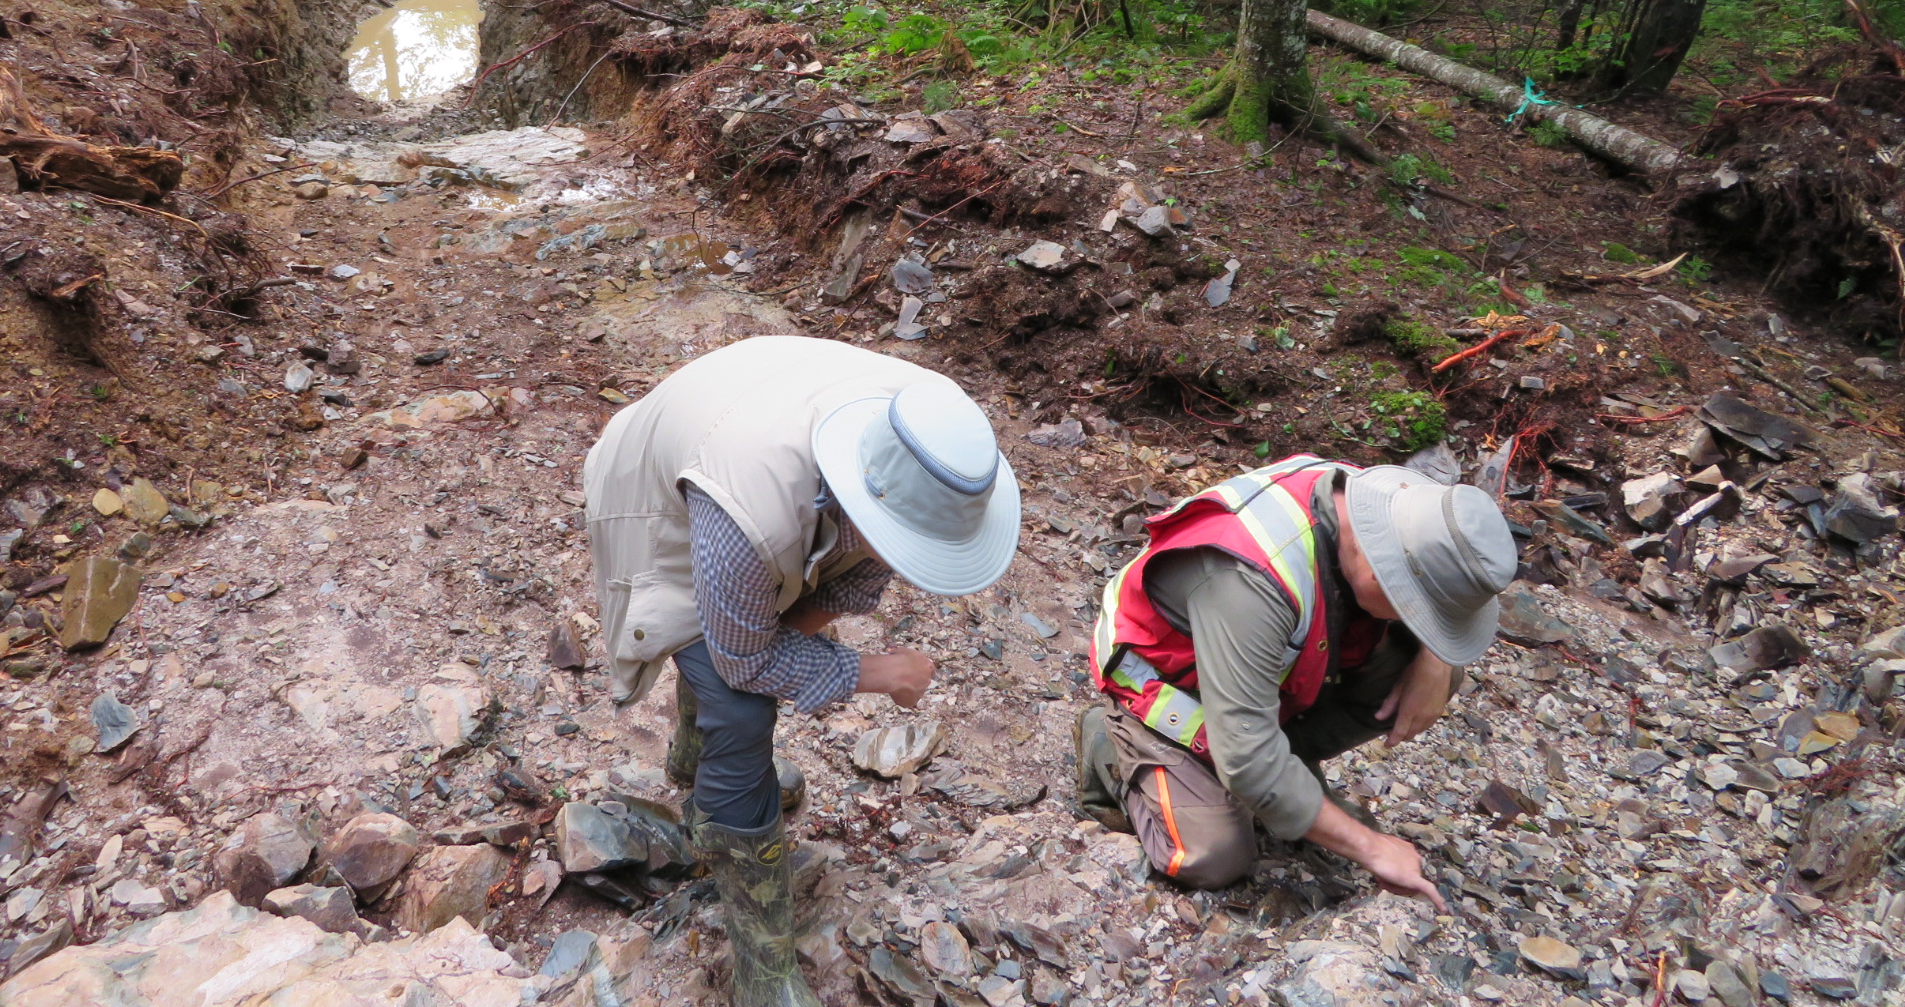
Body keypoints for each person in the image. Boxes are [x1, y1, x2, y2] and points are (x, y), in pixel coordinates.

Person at [584, 334, 1020, 1007]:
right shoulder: (747, 512)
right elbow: (746, 658)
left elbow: (850, 576)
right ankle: (763, 971)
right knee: (742, 702)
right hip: (658, 494)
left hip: (744, 441)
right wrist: (880, 674)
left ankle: (697, 766)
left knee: (751, 646)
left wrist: (791, 636)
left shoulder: (920, 443)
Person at [1076, 453, 1517, 909]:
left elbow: (1426, 594)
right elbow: (1247, 760)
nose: (1423, 622)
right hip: (1166, 688)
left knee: (1420, 671)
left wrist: (1434, 655)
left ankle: (1284, 776)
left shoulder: (1383, 507)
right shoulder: (1250, 581)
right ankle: (1108, 742)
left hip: (1267, 667)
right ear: (1375, 574)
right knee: (1212, 858)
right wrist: (1372, 848)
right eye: (1419, 610)